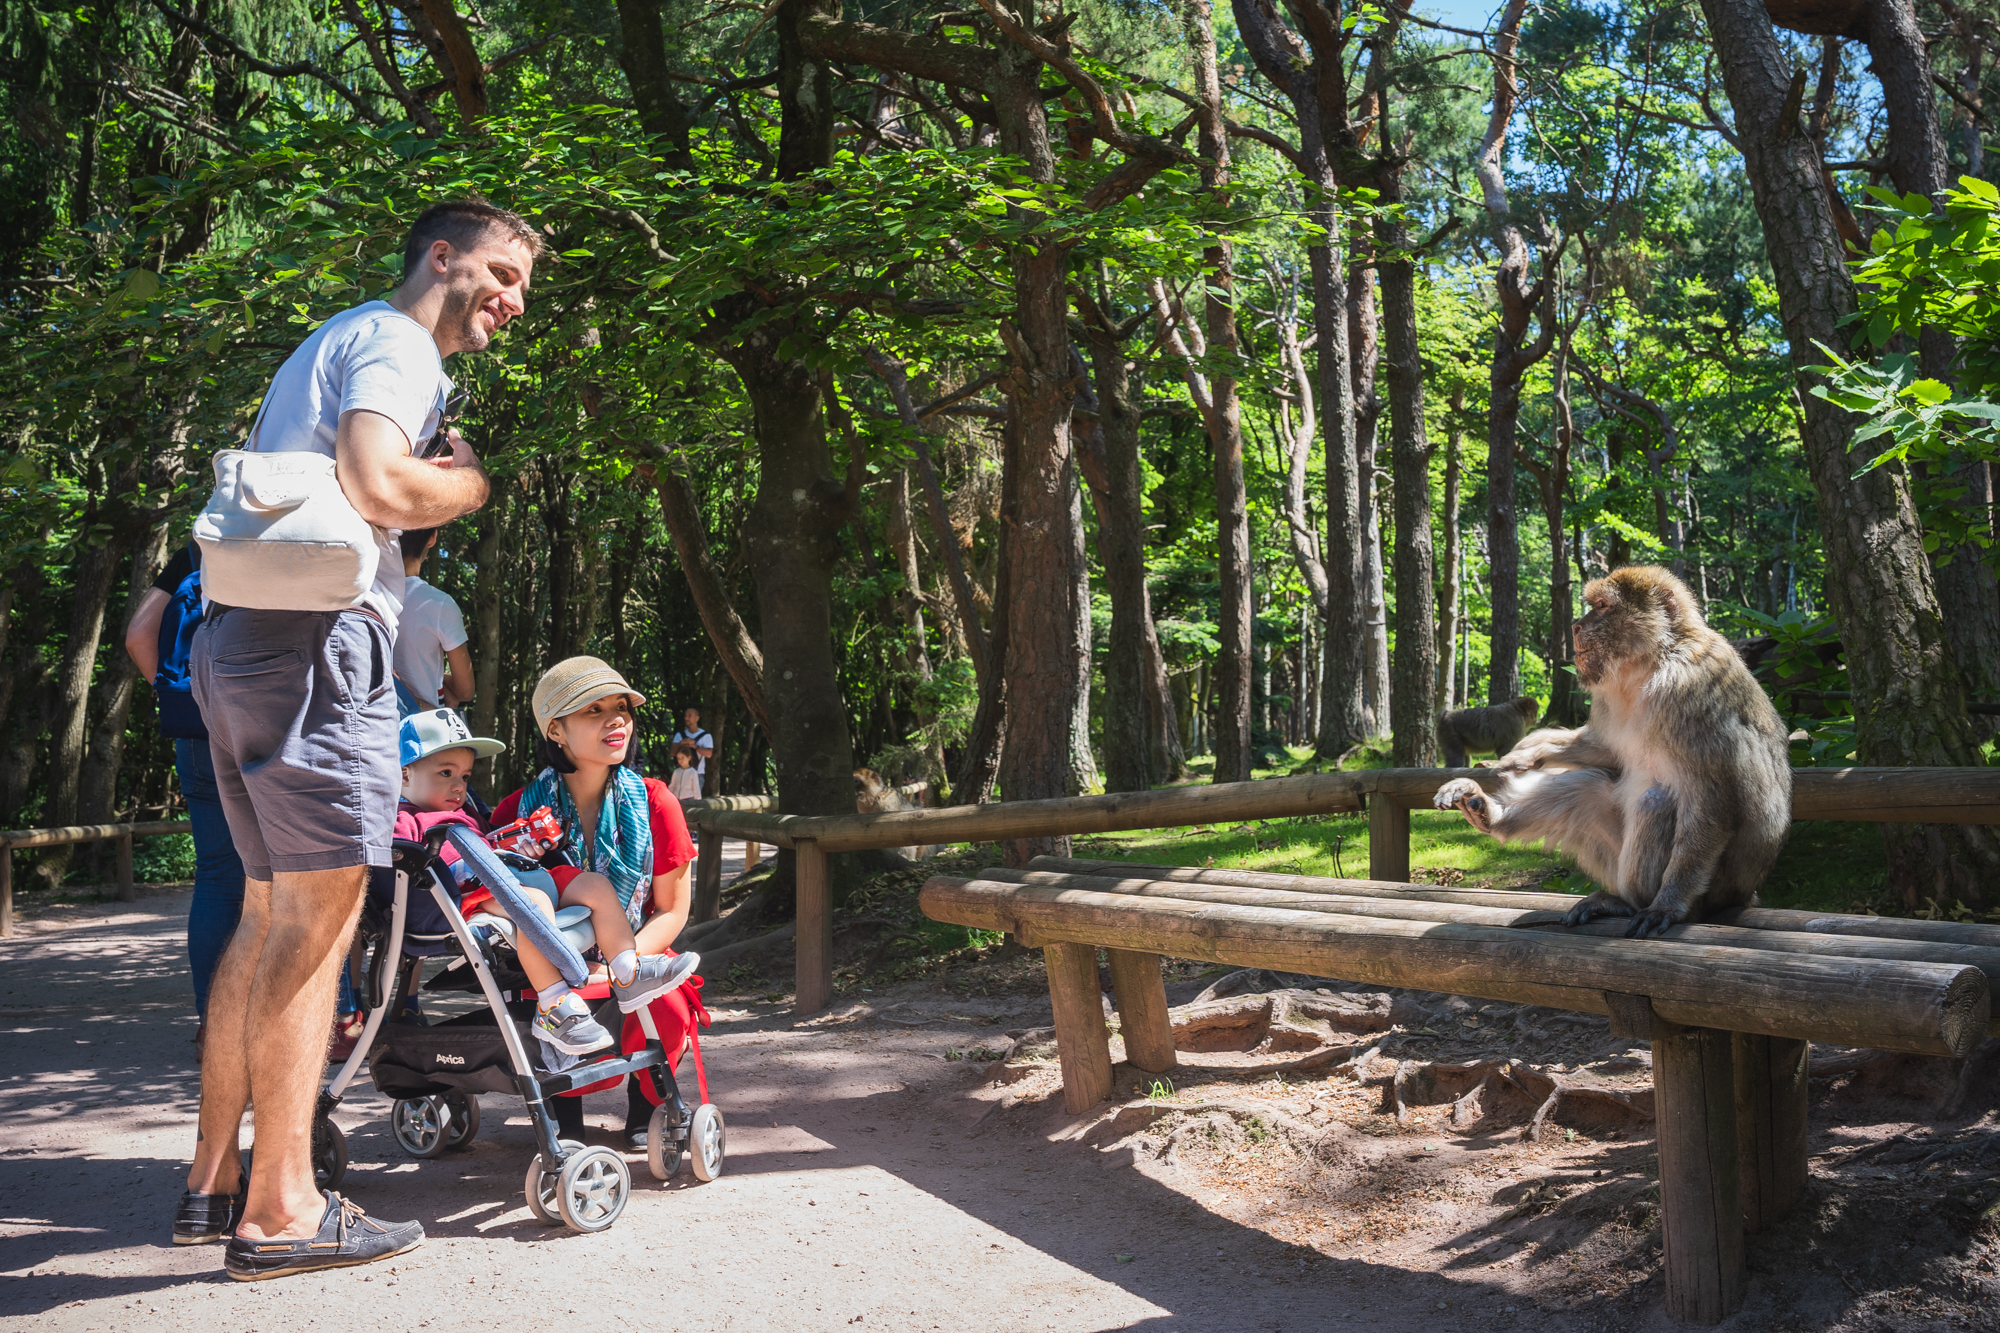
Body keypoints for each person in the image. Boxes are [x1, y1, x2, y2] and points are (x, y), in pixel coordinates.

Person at [175, 199, 540, 1280]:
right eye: (503, 274)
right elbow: (379, 481)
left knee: (260, 913)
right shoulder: (395, 340)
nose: (513, 301)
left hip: (235, 640)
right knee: (319, 927)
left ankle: (215, 1183)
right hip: (314, 646)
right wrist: (466, 484)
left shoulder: (327, 340)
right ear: (444, 258)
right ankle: (283, 1210)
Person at [394, 709, 696, 1052]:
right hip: (459, 896)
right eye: (445, 773)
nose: (458, 786)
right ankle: (553, 1004)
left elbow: (492, 844)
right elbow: (410, 869)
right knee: (532, 902)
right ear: (404, 776)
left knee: (594, 884)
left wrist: (517, 850)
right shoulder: (405, 821)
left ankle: (627, 968)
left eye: (464, 777)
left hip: (510, 877)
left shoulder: (468, 815)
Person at [490, 657, 699, 1146]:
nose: (617, 720)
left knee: (666, 996)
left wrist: (615, 963)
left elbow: (672, 911)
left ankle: (645, 1111)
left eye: (622, 708)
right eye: (594, 710)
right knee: (541, 998)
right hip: (548, 964)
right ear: (556, 730)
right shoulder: (515, 812)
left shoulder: (656, 801)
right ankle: (564, 1126)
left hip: (632, 954)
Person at [122, 543, 248, 1036]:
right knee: (292, 877)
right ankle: (310, 1023)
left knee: (217, 879)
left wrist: (179, 696)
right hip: (272, 731)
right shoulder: (293, 539)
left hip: (196, 733)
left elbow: (138, 636)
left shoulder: (195, 550)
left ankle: (213, 1028)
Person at [392, 527, 473, 717]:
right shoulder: (439, 605)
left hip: (371, 724)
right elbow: (465, 690)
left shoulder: (363, 597)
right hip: (425, 729)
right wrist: (436, 676)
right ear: (432, 537)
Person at [671, 707, 714, 789]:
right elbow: (672, 753)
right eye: (685, 716)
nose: (686, 718)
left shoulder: (706, 736)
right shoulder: (679, 735)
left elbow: (709, 754)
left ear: (697, 718)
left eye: (689, 716)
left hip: (697, 774)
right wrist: (681, 744)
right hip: (680, 773)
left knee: (694, 801)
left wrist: (695, 746)